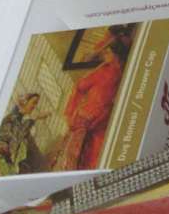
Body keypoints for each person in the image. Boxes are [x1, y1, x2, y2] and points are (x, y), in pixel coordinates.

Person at [52, 32, 130, 171]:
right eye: (106, 52)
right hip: (87, 118)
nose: (105, 55)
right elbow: (80, 86)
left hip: (100, 120)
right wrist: (71, 112)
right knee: (75, 155)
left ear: (115, 55)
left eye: (108, 52)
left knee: (92, 154)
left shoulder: (118, 70)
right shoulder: (106, 69)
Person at [0, 92, 45, 177]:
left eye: (36, 104)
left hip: (3, 159)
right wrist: (35, 118)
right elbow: (17, 135)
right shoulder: (12, 118)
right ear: (25, 102)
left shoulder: (17, 119)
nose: (34, 107)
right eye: (34, 102)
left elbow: (20, 133)